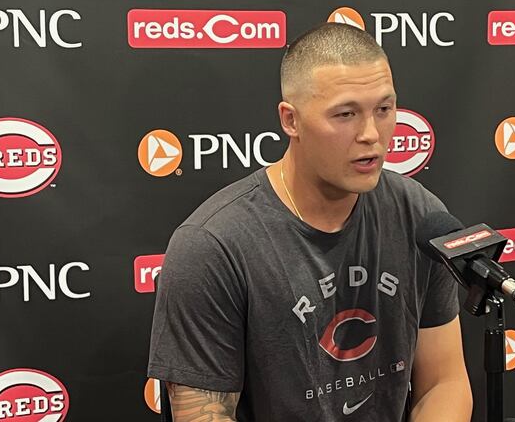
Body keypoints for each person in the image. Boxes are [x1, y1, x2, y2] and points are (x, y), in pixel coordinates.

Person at [147, 22, 472, 421]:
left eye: (384, 110)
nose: (371, 134)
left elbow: (445, 382)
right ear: (291, 120)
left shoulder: (419, 215)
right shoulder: (213, 246)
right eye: (345, 114)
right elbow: (203, 414)